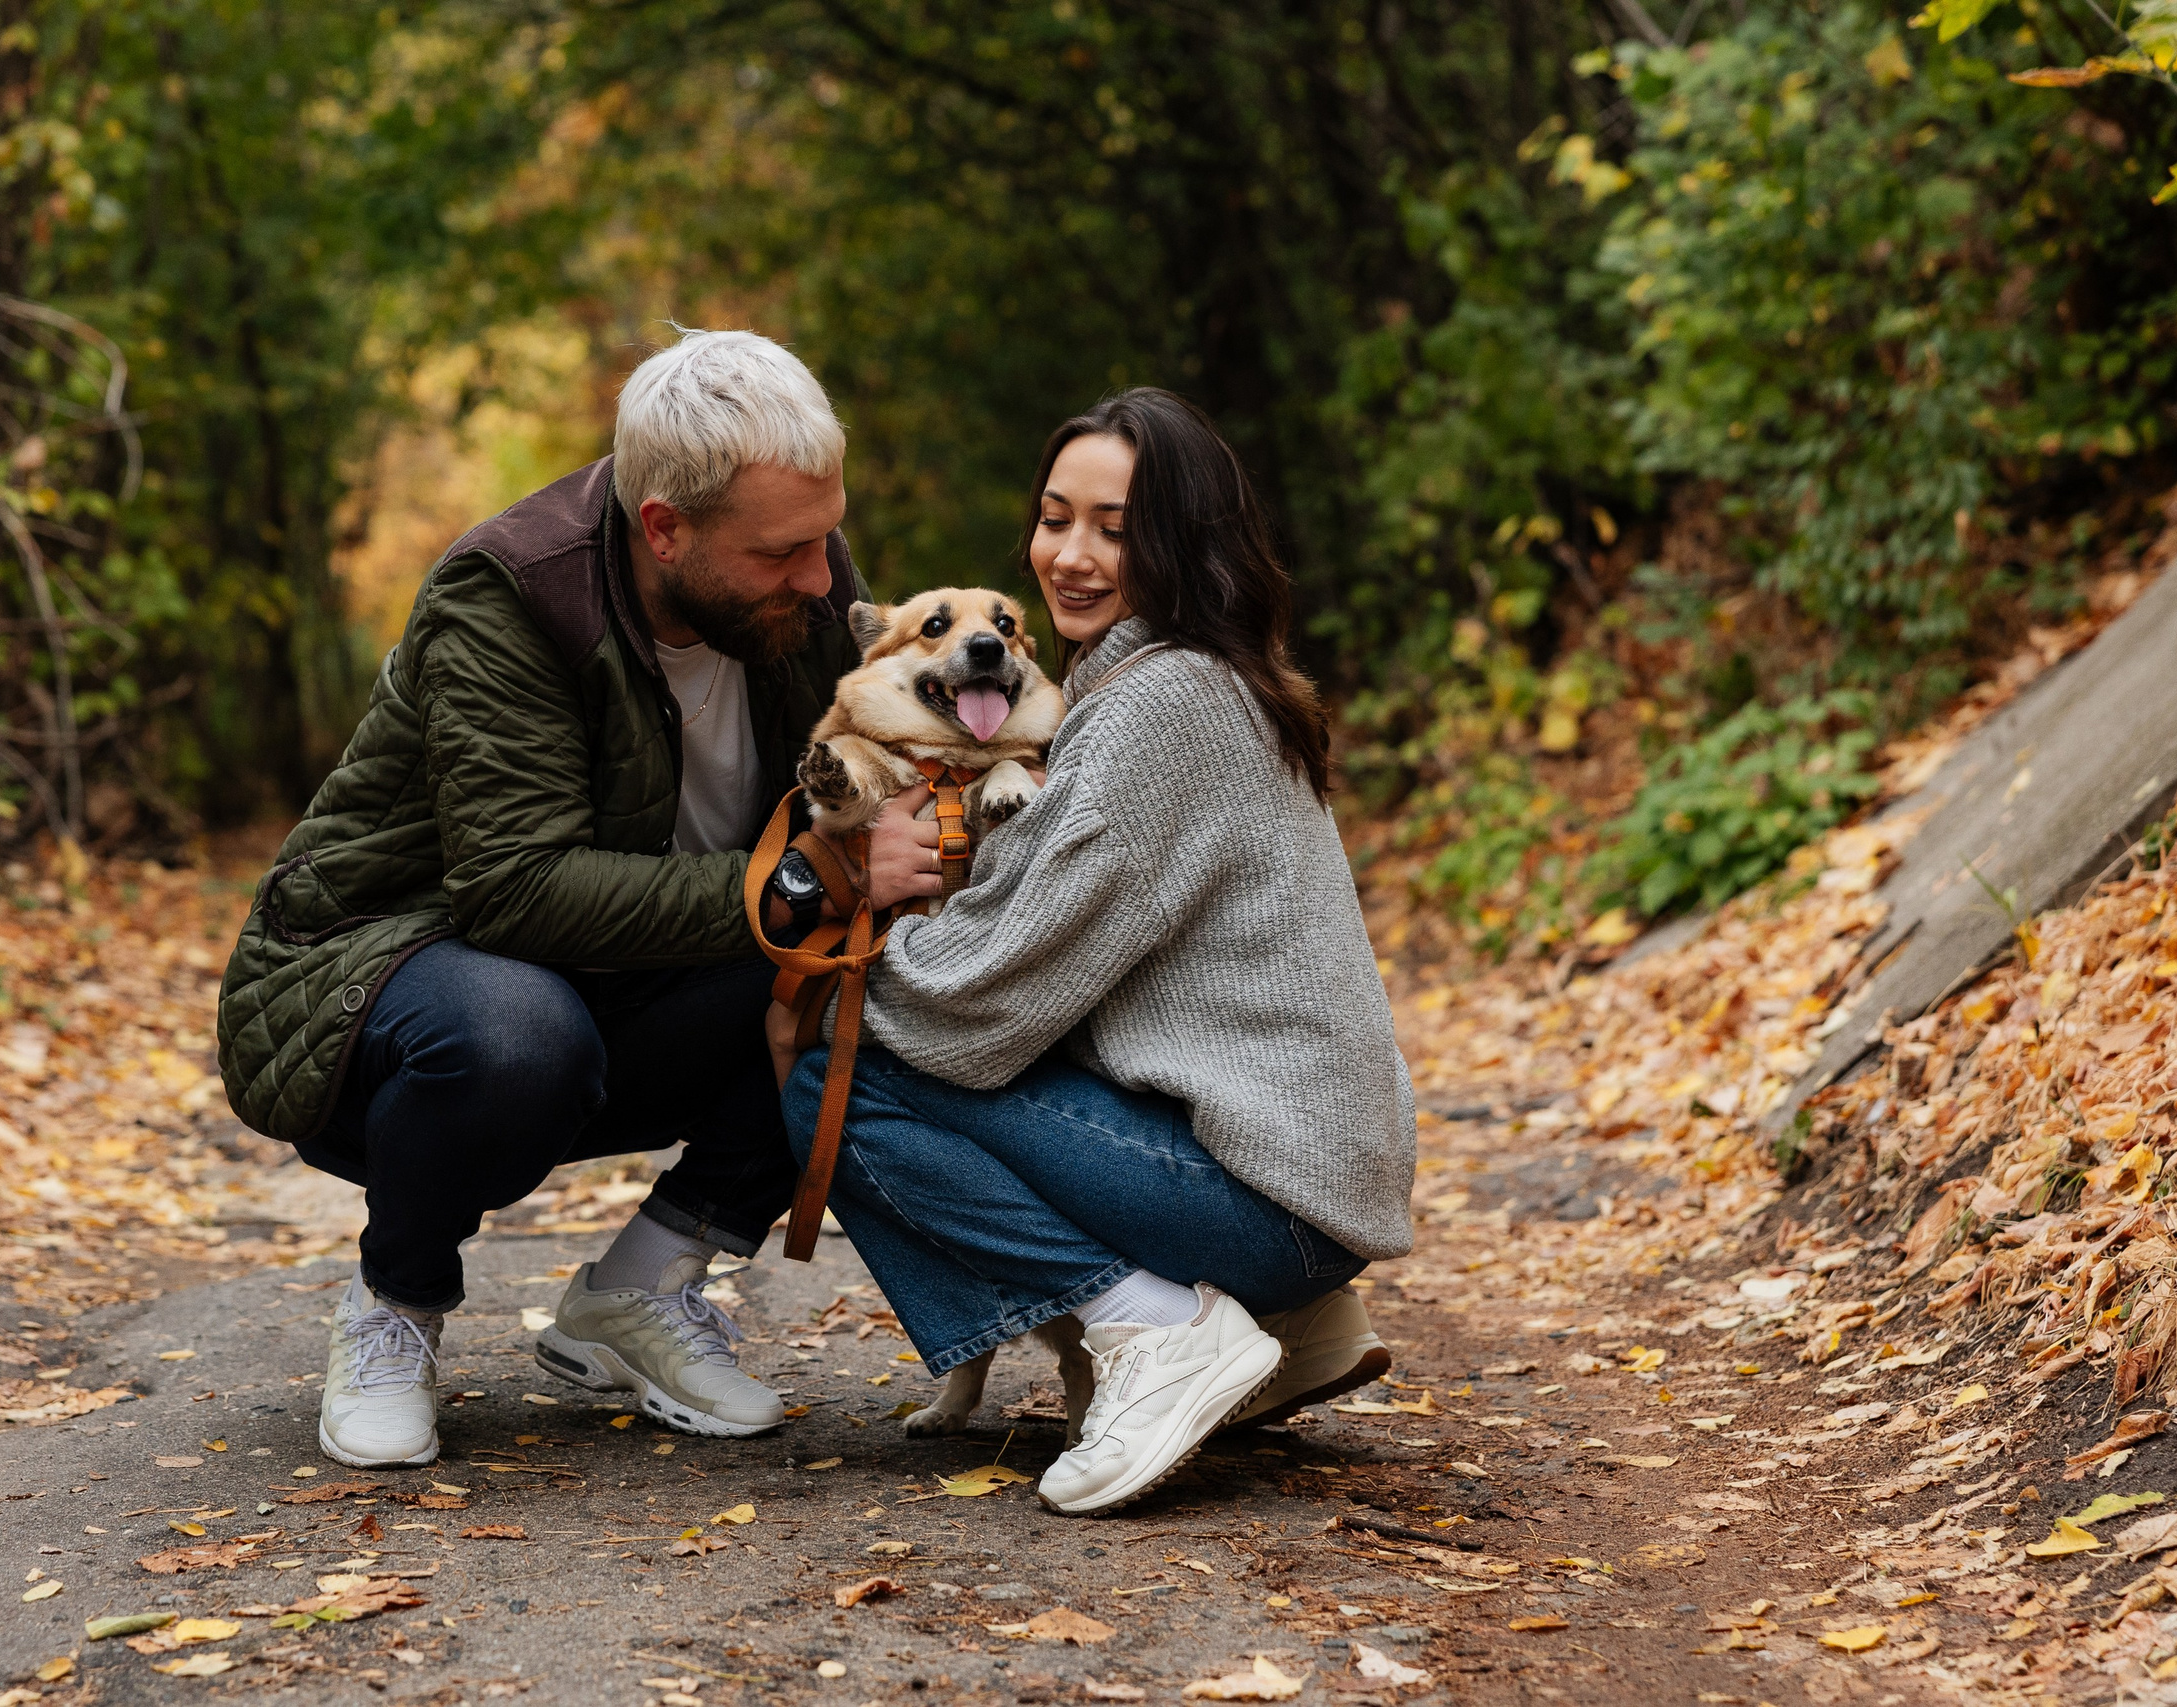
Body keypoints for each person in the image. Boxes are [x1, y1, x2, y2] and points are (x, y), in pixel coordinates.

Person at [215, 330, 946, 1468]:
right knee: (518, 1035)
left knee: (875, 964)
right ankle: (394, 1306)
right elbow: (515, 890)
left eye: (824, 540)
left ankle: (640, 1290)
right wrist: (808, 878)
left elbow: (875, 749)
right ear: (665, 526)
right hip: (388, 981)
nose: (819, 579)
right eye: (781, 554)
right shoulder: (510, 594)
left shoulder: (800, 571)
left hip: (639, 980)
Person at [782, 388, 1418, 1517]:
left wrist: (837, 972)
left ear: (1183, 540)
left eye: (1115, 530)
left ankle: (1154, 1331)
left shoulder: (1159, 704)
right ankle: (1270, 1326)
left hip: (1270, 1198)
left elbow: (988, 993)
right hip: (1296, 1178)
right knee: (878, 1045)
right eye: (1053, 518)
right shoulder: (1189, 674)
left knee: (830, 1077)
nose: (1069, 557)